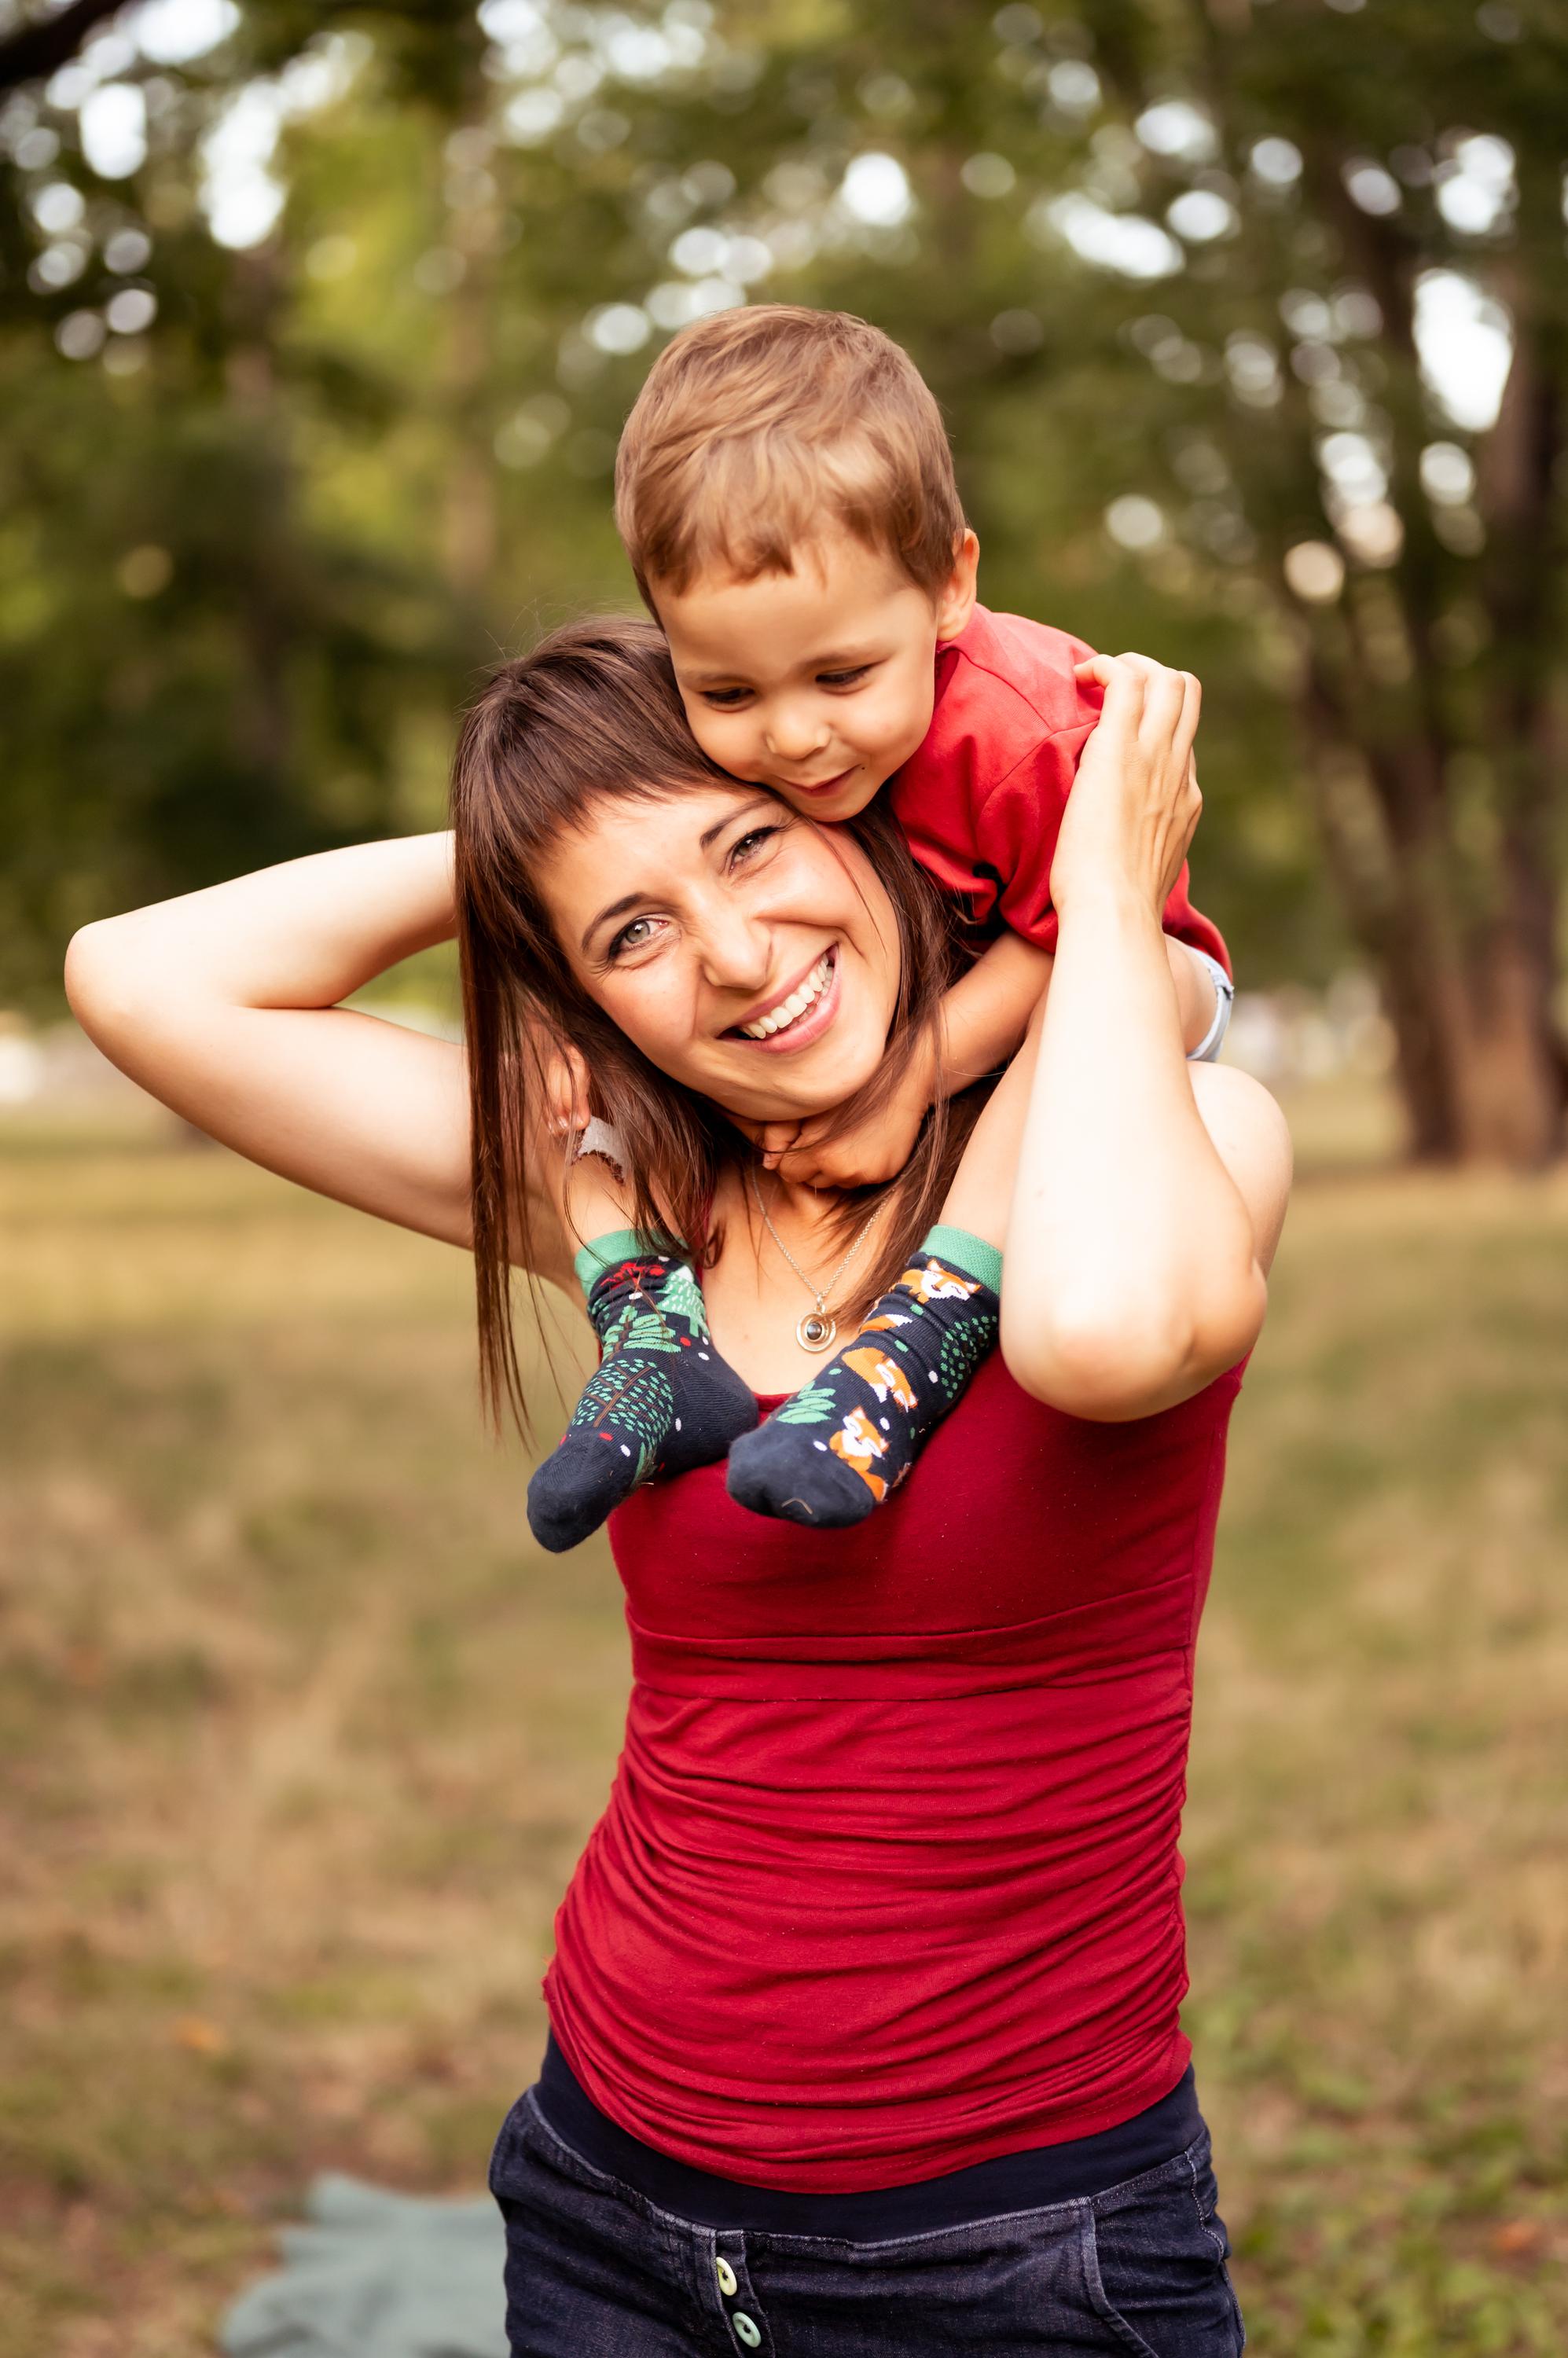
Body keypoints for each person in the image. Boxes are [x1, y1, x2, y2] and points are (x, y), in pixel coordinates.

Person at [65, 619, 1290, 2357]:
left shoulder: (1166, 1135)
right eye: (630, 933)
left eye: (754, 842)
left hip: (1009, 2243)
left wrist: (1087, 878)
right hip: (605, 2192)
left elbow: (1098, 1336)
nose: (730, 954)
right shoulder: (652, 1200)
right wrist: (542, 828)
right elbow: (138, 978)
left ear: (873, 809)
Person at [529, 307, 1237, 1551]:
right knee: (557, 1083)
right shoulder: (776, 740)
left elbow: (1078, 936)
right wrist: (528, 838)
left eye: (841, 679)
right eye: (729, 692)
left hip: (1123, 980)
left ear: (952, 585)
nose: (795, 739)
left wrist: (912, 1078)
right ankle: (649, 1332)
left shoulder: (1023, 738)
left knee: (1083, 1012)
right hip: (929, 997)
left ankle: (919, 1337)